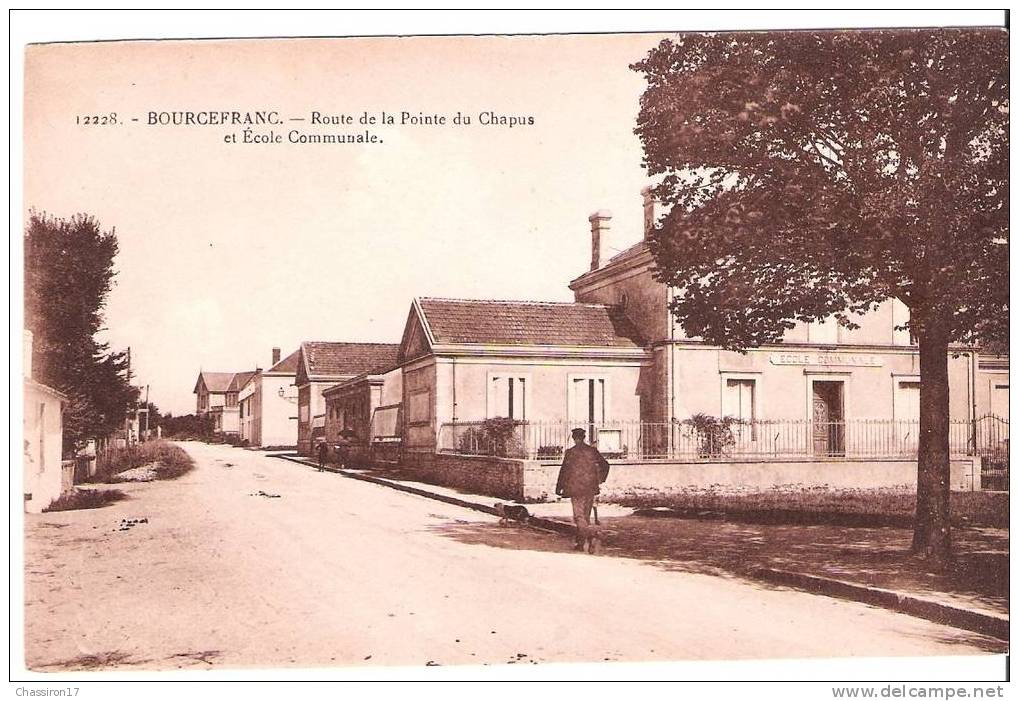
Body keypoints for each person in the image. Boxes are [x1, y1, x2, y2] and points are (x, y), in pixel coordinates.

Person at [555, 428, 610, 552]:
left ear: (574, 438)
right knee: (585, 516)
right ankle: (580, 544)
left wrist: (559, 487)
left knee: (579, 517)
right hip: (590, 488)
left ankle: (592, 536)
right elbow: (605, 465)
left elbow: (564, 471)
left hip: (576, 489)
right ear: (584, 437)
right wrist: (600, 480)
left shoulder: (570, 452)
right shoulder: (592, 451)